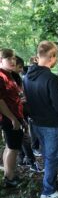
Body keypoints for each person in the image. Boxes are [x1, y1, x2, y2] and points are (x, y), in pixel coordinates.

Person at [23, 41, 58, 198]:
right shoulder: (52, 78)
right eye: (56, 56)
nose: (56, 60)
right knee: (53, 156)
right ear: (52, 57)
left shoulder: (27, 76)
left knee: (45, 153)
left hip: (35, 123)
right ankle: (48, 191)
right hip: (52, 124)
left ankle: (50, 179)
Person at [12, 56, 43, 173]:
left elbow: (19, 94)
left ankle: (21, 159)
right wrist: (21, 100)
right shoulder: (8, 78)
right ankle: (32, 162)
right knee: (25, 137)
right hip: (15, 114)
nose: (21, 70)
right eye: (19, 67)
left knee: (21, 137)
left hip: (21, 111)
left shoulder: (17, 78)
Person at [0, 48, 24, 187]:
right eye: (9, 59)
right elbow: (0, 101)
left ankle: (8, 174)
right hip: (9, 118)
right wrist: (12, 119)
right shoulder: (1, 76)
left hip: (15, 115)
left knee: (10, 146)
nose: (13, 61)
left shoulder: (9, 75)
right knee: (13, 147)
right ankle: (10, 179)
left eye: (14, 58)